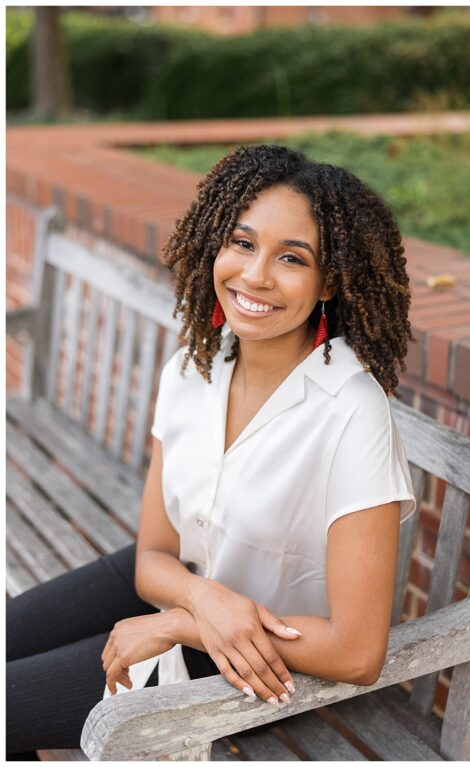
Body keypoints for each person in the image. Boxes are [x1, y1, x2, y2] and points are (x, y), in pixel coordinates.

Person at [7, 145, 417, 756]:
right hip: (189, 586)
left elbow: (357, 652)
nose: (255, 276)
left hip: (256, 658)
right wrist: (201, 597)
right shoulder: (192, 368)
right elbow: (153, 558)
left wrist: (184, 622)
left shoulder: (352, 412)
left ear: (329, 280)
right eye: (243, 244)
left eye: (292, 258)